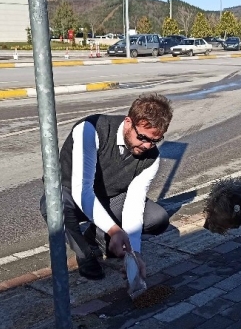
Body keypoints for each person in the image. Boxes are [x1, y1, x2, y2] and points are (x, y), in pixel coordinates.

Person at [40, 93, 173, 280]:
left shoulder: (152, 157)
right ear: (128, 122)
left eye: (154, 140)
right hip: (71, 193)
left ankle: (95, 236)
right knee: (53, 206)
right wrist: (115, 230)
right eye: (143, 137)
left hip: (109, 197)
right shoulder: (91, 129)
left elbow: (135, 201)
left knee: (156, 218)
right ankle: (84, 253)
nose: (147, 146)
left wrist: (134, 254)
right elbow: (82, 189)